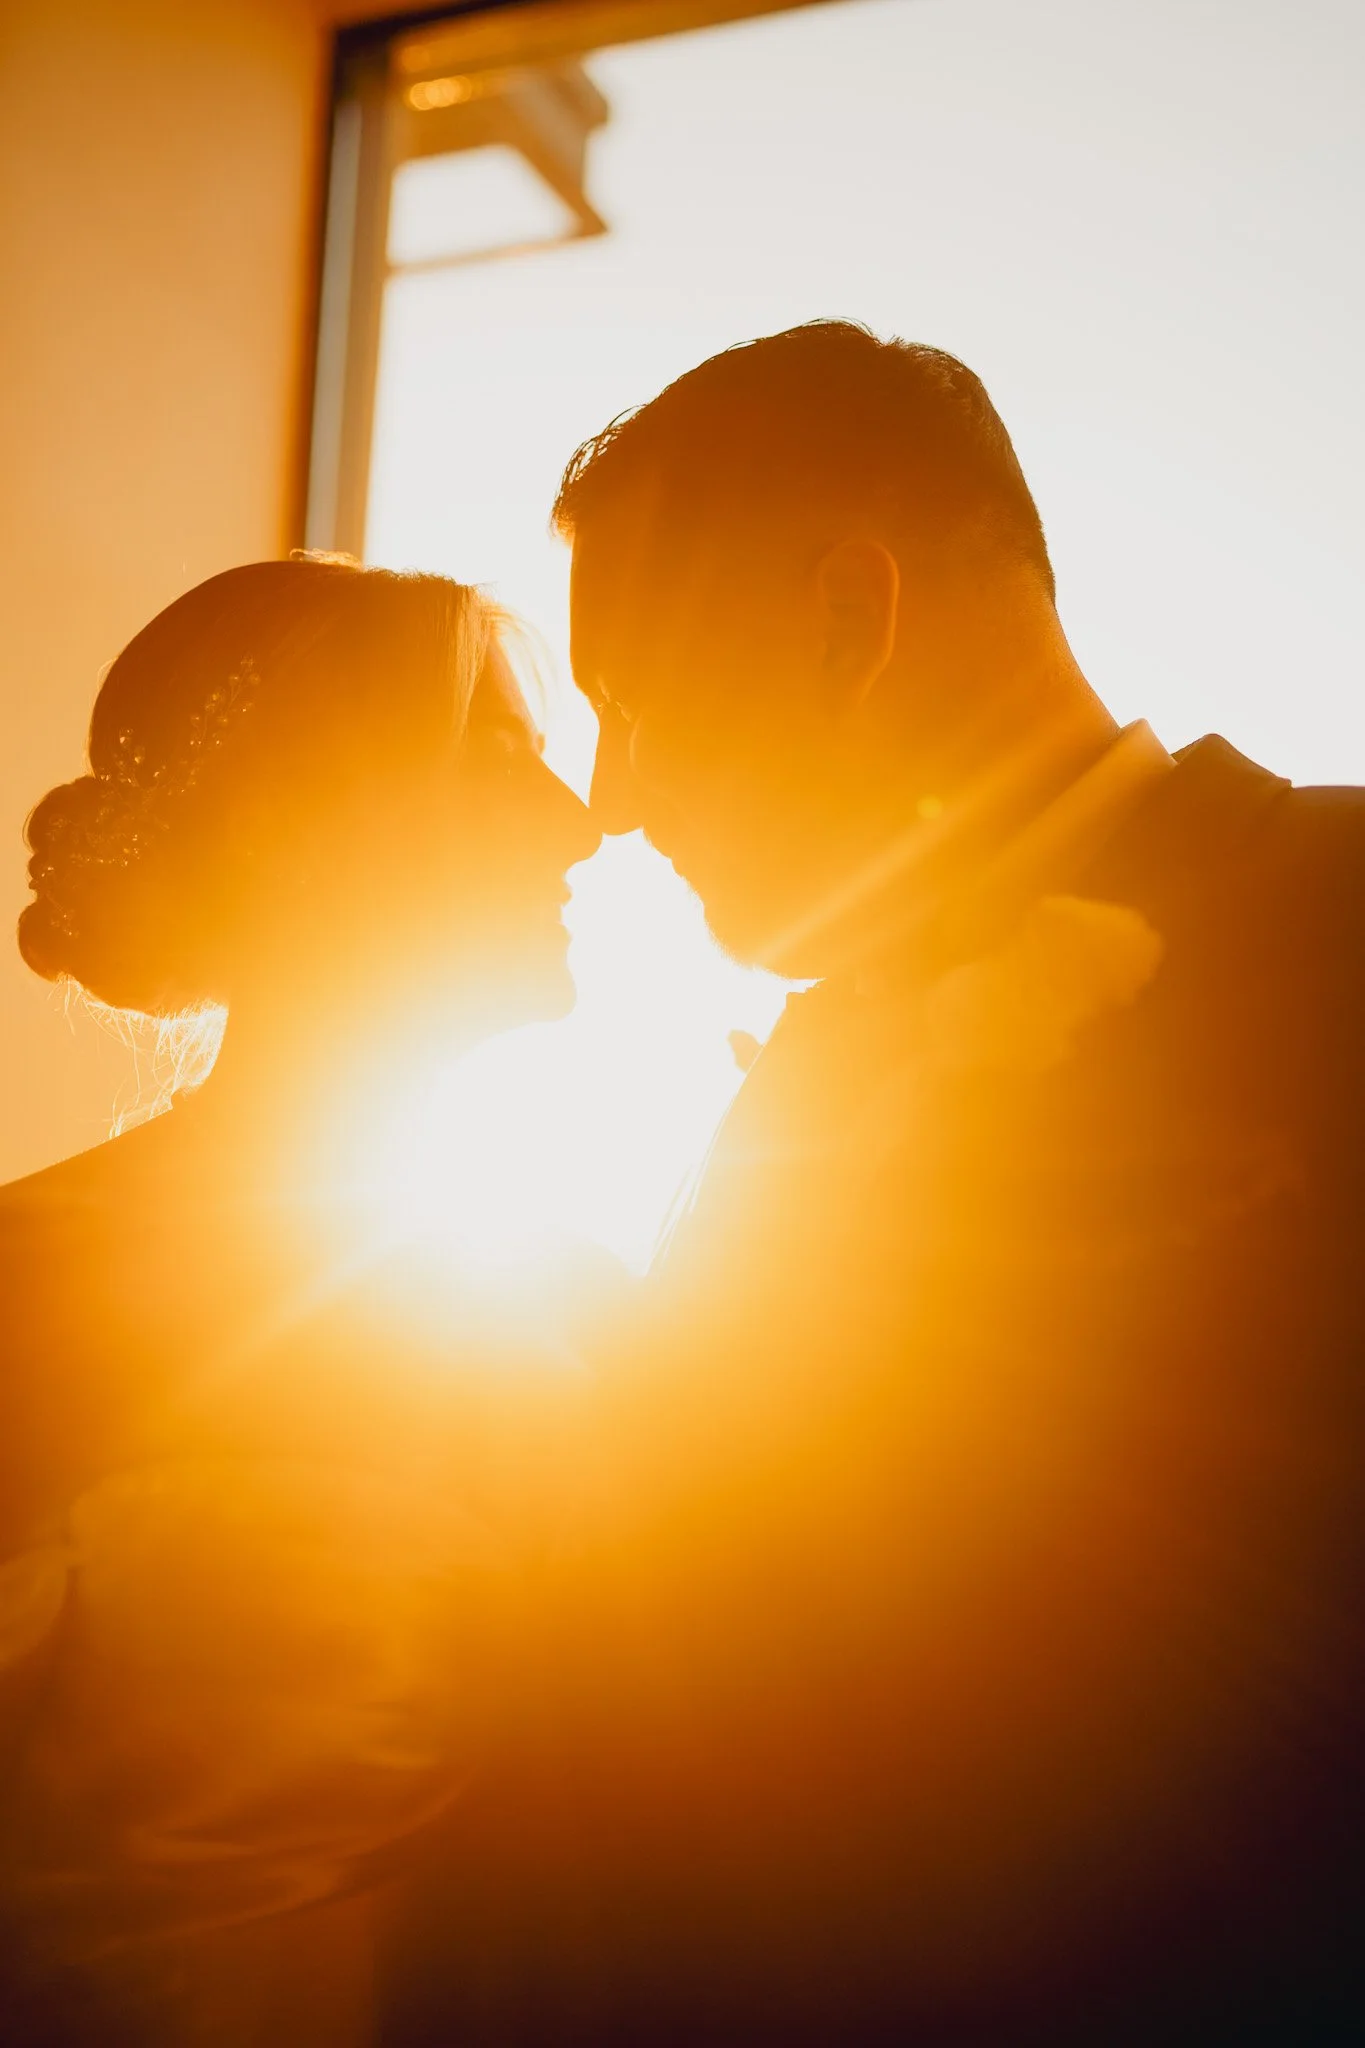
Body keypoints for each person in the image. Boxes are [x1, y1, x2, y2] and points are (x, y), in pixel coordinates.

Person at [517, 321, 1365, 2043]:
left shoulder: (1333, 922)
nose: (610, 799)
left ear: (848, 617)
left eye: (637, 700)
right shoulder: (785, 1091)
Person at [0, 555, 600, 2045]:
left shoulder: (585, 1308)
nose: (579, 821)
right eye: (505, 759)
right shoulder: (32, 1283)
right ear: (322, 825)